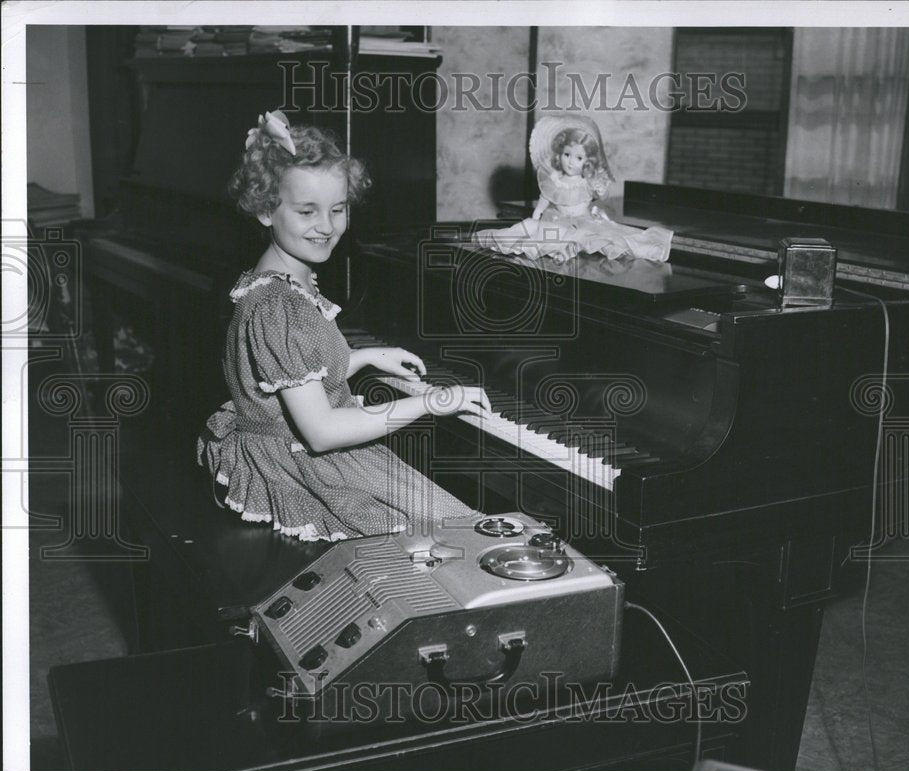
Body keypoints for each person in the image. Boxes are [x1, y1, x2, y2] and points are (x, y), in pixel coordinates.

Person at [197, 110, 490, 542]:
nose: (328, 227)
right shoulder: (278, 306)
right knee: (462, 531)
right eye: (306, 211)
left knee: (448, 512)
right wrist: (433, 402)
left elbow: (291, 377)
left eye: (338, 209)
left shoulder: (281, 278)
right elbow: (322, 432)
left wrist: (366, 357)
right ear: (264, 210)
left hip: (284, 445)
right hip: (298, 464)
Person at [473, 114, 673, 263]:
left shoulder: (586, 181)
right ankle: (553, 250)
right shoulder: (554, 179)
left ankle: (565, 253)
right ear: (559, 153)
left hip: (583, 222)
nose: (570, 162)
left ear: (587, 161)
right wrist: (536, 215)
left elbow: (603, 194)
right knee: (531, 228)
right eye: (567, 154)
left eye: (578, 158)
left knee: (595, 238)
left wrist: (600, 186)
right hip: (556, 220)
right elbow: (545, 199)